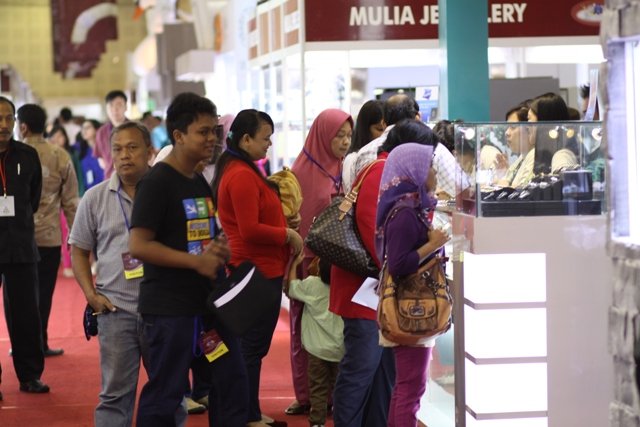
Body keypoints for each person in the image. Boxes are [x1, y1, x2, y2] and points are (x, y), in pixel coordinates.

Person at [129, 92, 248, 426]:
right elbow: (138, 245)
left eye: (214, 131)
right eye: (203, 132)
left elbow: (203, 233)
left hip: (208, 308)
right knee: (166, 394)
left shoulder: (196, 179)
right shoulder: (157, 183)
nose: (212, 139)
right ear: (178, 136)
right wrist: (195, 262)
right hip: (170, 312)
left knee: (231, 380)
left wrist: (219, 248)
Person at [330, 118, 438, 427]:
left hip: (378, 288)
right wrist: (407, 263)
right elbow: (375, 233)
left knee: (382, 374)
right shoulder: (381, 171)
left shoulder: (390, 171)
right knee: (362, 369)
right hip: (366, 290)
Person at [69, 122, 169, 426]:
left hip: (163, 311)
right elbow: (78, 250)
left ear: (150, 151)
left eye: (132, 147)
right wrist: (91, 295)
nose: (124, 155)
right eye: (117, 149)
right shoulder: (95, 198)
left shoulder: (168, 194)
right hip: (115, 310)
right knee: (114, 396)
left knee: (169, 393)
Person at [211, 109, 303, 426]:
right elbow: (249, 229)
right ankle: (247, 414)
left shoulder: (245, 169)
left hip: (261, 268)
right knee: (250, 348)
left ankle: (250, 409)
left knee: (253, 348)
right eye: (265, 138)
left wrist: (283, 222)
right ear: (246, 139)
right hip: (254, 270)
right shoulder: (239, 174)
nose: (269, 144)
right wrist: (286, 234)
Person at [375, 143, 449, 427]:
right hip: (412, 307)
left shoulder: (411, 206)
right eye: (429, 167)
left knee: (408, 387)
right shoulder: (405, 212)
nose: (434, 173)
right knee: (410, 388)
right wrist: (432, 245)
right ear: (414, 171)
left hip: (413, 305)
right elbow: (398, 263)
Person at [288, 108, 353, 416]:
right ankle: (307, 395)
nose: (345, 142)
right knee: (305, 328)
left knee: (336, 327)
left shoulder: (344, 168)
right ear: (322, 136)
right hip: (309, 262)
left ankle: (335, 395)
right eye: (338, 136)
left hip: (338, 263)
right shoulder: (301, 173)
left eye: (348, 136)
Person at [17, 104, 79, 357]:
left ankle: (22, 346)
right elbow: (71, 201)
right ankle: (40, 342)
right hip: (49, 237)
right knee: (43, 293)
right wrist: (76, 236)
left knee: (18, 296)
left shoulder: (12, 154)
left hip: (16, 239)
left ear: (22, 127)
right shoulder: (60, 155)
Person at [0, 96, 49, 394]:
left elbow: (33, 198)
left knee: (26, 314)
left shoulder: (28, 155)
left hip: (20, 244)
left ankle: (30, 375)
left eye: (9, 118)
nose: (4, 124)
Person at [351, 93, 469, 200]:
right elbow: (464, 191)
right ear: (417, 117)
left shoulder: (363, 152)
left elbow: (352, 194)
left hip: (368, 216)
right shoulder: (431, 147)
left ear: (383, 123)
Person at [286, 255, 344, 427]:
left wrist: (294, 265)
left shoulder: (311, 284)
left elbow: (292, 288)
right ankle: (341, 418)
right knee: (340, 387)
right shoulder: (343, 287)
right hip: (340, 349)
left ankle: (317, 422)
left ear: (318, 269)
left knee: (318, 387)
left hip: (316, 350)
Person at [342, 100, 385, 193]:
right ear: (365, 129)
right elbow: (349, 195)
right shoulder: (353, 159)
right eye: (380, 129)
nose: (384, 135)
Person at [495, 102, 534, 188]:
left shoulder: (534, 156)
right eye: (507, 127)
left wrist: (499, 182)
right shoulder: (522, 157)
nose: (507, 133)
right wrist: (503, 174)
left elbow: (521, 190)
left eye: (513, 127)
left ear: (528, 128)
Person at [95, 90, 128, 179]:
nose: (115, 109)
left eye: (119, 105)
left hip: (134, 178)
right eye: (111, 106)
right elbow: (100, 158)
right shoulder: (101, 132)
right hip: (110, 179)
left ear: (126, 107)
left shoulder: (136, 129)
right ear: (106, 109)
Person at [75, 119, 105, 191]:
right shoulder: (80, 148)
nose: (84, 131)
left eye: (87, 127)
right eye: (82, 128)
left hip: (105, 188)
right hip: (89, 191)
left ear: (96, 129)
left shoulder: (104, 148)